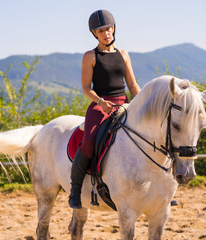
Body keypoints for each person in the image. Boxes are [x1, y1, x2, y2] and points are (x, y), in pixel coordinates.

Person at [69, 9, 141, 209]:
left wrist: (144, 102)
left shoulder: (124, 55)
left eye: (108, 29)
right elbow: (86, 88)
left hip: (123, 103)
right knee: (90, 140)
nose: (106, 33)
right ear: (95, 34)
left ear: (114, 28)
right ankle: (75, 190)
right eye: (101, 31)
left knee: (148, 133)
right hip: (100, 105)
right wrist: (100, 102)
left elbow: (133, 86)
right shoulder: (90, 56)